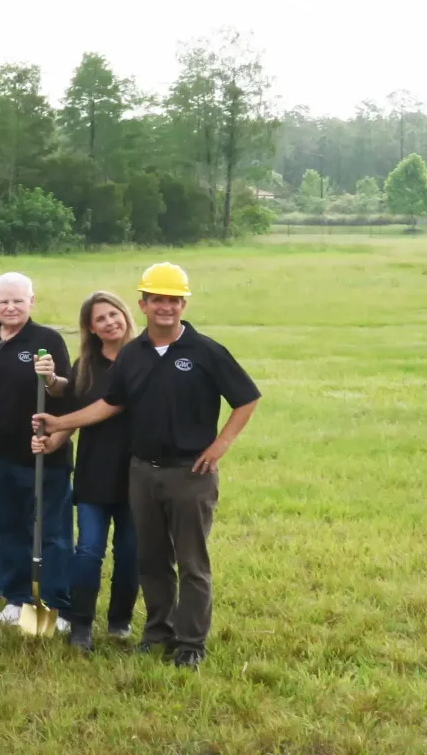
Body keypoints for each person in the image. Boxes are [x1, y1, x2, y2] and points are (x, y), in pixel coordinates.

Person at [34, 263, 262, 669]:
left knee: (191, 562)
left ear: (183, 303)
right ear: (142, 303)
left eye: (173, 300)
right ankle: (157, 632)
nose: (166, 307)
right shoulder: (133, 354)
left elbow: (246, 398)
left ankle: (190, 642)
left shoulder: (205, 351)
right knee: (152, 560)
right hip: (142, 472)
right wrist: (61, 422)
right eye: (157, 299)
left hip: (190, 473)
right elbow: (111, 403)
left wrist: (220, 445)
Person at [0, 271, 73, 630]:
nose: (10, 307)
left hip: (41, 454)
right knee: (5, 526)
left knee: (51, 531)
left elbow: (65, 394)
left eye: (18, 301)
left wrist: (51, 378)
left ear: (31, 302)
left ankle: (56, 605)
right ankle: (16, 598)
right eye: (4, 301)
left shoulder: (47, 340)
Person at [55, 290, 139, 653]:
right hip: (94, 471)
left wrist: (56, 423)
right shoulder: (85, 365)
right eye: (100, 319)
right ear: (91, 328)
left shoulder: (143, 359)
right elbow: (72, 418)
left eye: (113, 314)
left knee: (130, 551)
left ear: (125, 315)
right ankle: (81, 624)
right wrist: (52, 439)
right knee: (89, 549)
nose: (109, 322)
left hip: (137, 472)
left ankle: (119, 621)